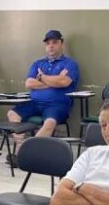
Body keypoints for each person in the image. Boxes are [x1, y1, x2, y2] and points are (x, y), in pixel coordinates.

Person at [7, 29, 79, 165]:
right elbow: (29, 83)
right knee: (12, 114)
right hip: (35, 102)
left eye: (55, 42)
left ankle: (27, 153)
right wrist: (54, 82)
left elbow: (64, 82)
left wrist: (41, 77)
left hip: (57, 105)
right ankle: (21, 150)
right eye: (48, 43)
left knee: (50, 123)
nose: (51, 46)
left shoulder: (70, 64)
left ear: (61, 44)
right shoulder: (38, 64)